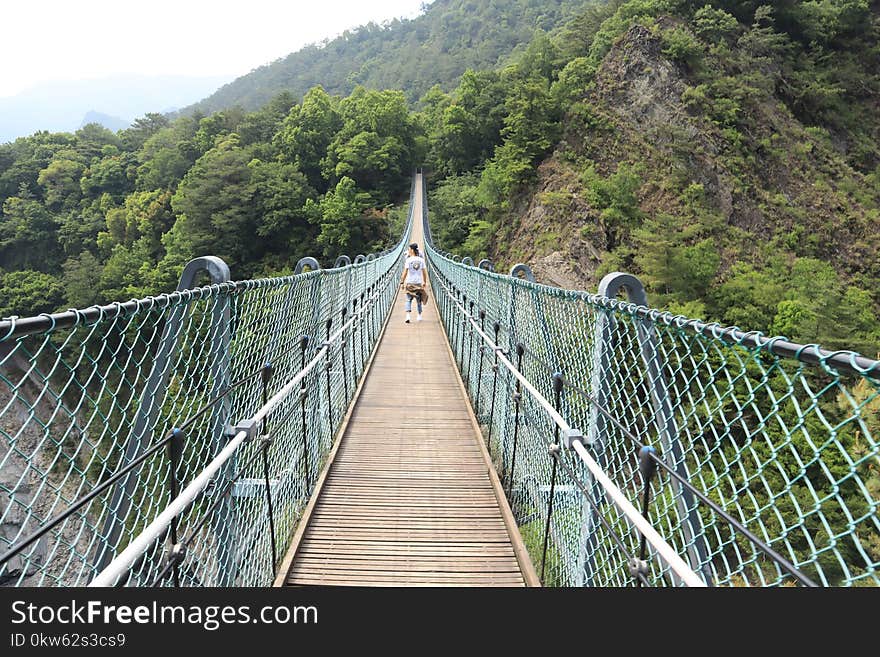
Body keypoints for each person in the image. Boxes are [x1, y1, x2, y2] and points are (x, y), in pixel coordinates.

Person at [400, 242, 428, 323]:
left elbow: (405, 272)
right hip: (418, 283)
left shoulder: (408, 260)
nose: (408, 251)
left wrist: (402, 282)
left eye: (409, 249)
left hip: (410, 283)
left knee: (408, 300)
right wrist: (424, 282)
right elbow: (424, 272)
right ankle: (419, 316)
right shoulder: (421, 260)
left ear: (412, 250)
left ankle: (408, 316)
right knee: (419, 300)